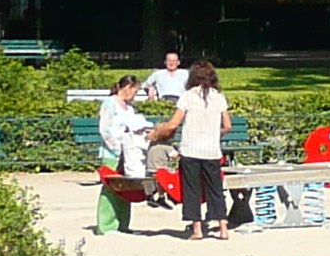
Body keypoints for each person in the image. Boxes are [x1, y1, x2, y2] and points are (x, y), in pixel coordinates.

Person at [151, 59, 232, 240]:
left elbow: (173, 124)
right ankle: (223, 228)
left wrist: (156, 133)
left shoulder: (187, 96)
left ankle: (197, 230)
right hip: (212, 151)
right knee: (215, 189)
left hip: (190, 149)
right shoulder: (219, 97)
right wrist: (214, 134)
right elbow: (227, 126)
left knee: (192, 190)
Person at [92, 74, 152, 234]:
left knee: (126, 188)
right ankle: (106, 225)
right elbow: (105, 129)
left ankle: (122, 223)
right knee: (111, 187)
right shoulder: (110, 103)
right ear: (126, 87)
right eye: (134, 90)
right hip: (113, 152)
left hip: (129, 152)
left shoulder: (130, 108)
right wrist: (117, 148)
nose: (134, 94)